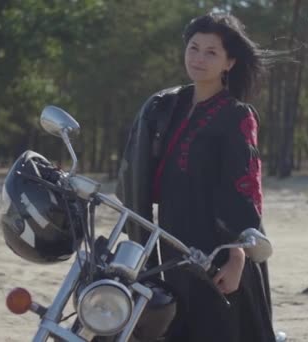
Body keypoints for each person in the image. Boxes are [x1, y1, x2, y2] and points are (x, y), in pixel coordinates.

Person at [117, 12, 278, 342]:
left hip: (218, 250)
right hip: (167, 241)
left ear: (229, 62)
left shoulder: (237, 115)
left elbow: (246, 189)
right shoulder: (165, 107)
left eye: (211, 52)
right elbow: (137, 173)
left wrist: (237, 258)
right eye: (194, 48)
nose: (199, 58)